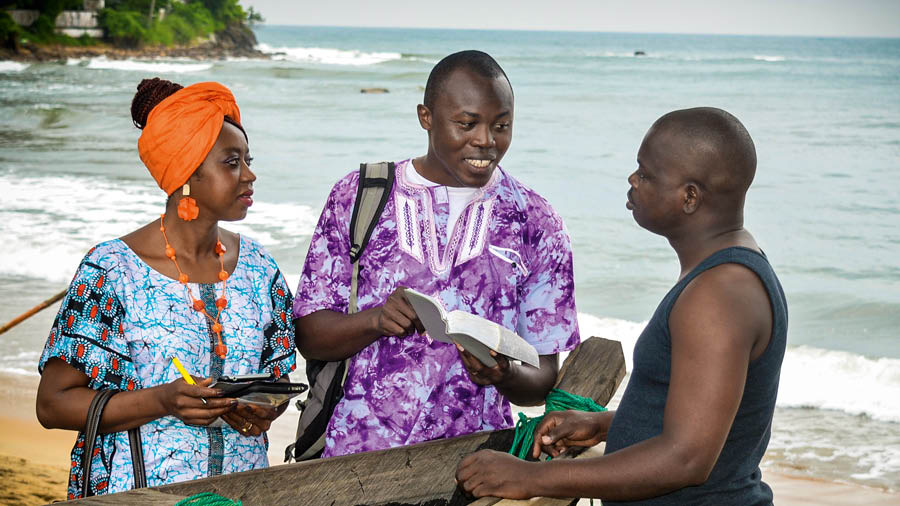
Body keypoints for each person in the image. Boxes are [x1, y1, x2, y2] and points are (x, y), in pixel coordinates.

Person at [456, 107, 788, 505]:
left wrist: (532, 478)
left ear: (690, 197)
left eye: (646, 174)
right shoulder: (729, 269)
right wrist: (606, 425)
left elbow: (686, 459)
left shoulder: (718, 295)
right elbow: (705, 420)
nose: (633, 180)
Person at [293, 50, 580, 457]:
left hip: (476, 466)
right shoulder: (359, 195)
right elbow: (309, 335)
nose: (486, 140)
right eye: (467, 124)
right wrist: (376, 320)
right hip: (352, 458)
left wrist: (502, 373)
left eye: (502, 125)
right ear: (425, 117)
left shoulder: (535, 220)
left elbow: (543, 378)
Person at [35, 78, 296, 499]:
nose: (250, 175)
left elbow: (277, 378)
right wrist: (162, 401)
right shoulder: (111, 271)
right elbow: (52, 405)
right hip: (139, 494)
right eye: (232, 162)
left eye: (247, 159)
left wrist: (262, 408)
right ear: (186, 173)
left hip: (243, 490)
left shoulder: (259, 268)